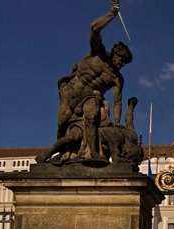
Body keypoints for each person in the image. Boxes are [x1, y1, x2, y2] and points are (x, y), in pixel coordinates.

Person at [37, 0, 133, 163]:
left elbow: (117, 102)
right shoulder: (98, 54)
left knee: (92, 116)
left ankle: (93, 152)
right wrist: (112, 14)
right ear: (115, 54)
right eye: (121, 60)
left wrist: (116, 122)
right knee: (62, 123)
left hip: (91, 97)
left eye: (124, 63)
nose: (121, 64)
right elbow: (94, 28)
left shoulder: (117, 78)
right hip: (72, 92)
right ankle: (61, 152)